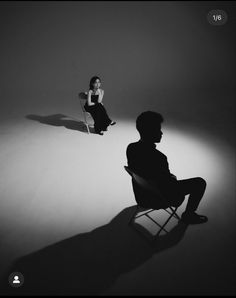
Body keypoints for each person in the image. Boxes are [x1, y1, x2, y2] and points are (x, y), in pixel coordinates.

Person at [126, 111, 208, 224]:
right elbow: (168, 187)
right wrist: (172, 178)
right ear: (150, 132)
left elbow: (144, 173)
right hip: (157, 200)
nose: (161, 133)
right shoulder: (159, 158)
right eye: (158, 129)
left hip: (141, 196)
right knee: (199, 182)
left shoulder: (131, 148)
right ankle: (188, 215)